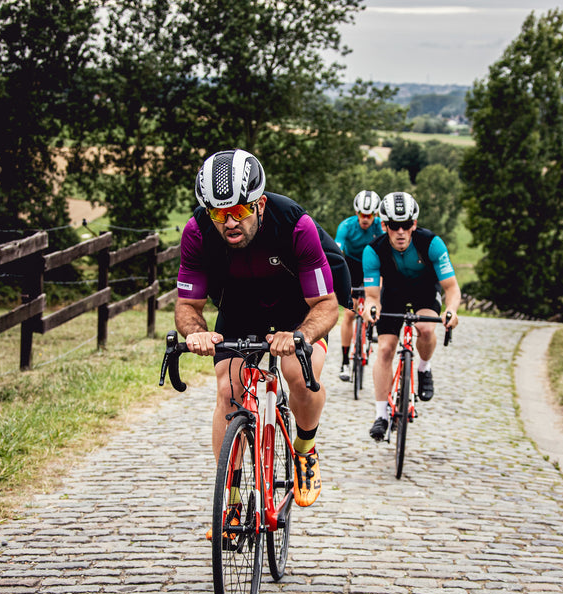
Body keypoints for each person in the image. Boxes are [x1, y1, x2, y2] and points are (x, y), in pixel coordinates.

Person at [175, 149, 337, 519]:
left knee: (299, 376)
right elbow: (187, 306)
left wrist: (299, 334)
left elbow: (327, 304)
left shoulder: (295, 225)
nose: (229, 222)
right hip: (240, 306)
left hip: (298, 307)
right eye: (219, 213)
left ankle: (305, 448)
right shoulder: (198, 232)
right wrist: (197, 333)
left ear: (260, 203)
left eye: (240, 211)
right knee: (228, 389)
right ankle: (231, 502)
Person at [361, 191, 460, 441]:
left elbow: (451, 288)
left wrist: (451, 310)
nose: (401, 231)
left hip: (424, 292)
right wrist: (370, 308)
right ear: (384, 225)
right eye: (394, 226)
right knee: (384, 349)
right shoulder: (373, 251)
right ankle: (381, 415)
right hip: (392, 294)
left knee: (426, 329)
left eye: (406, 225)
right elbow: (372, 296)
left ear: (414, 224)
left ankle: (424, 368)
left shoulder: (432, 243)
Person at [334, 190, 384, 381]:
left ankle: (374, 324)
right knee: (349, 313)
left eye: (369, 215)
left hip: (373, 265)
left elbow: (387, 254)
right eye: (362, 214)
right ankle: (345, 361)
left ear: (375, 215)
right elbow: (337, 252)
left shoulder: (381, 227)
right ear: (357, 213)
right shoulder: (346, 226)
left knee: (381, 291)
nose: (365, 219)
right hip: (353, 265)